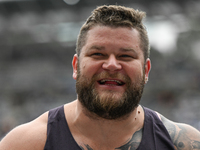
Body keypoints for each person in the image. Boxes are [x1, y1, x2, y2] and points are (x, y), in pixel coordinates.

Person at [0, 5, 200, 150]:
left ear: (146, 70)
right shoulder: (24, 144)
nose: (112, 64)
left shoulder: (184, 143)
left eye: (126, 56)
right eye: (98, 54)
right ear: (76, 66)